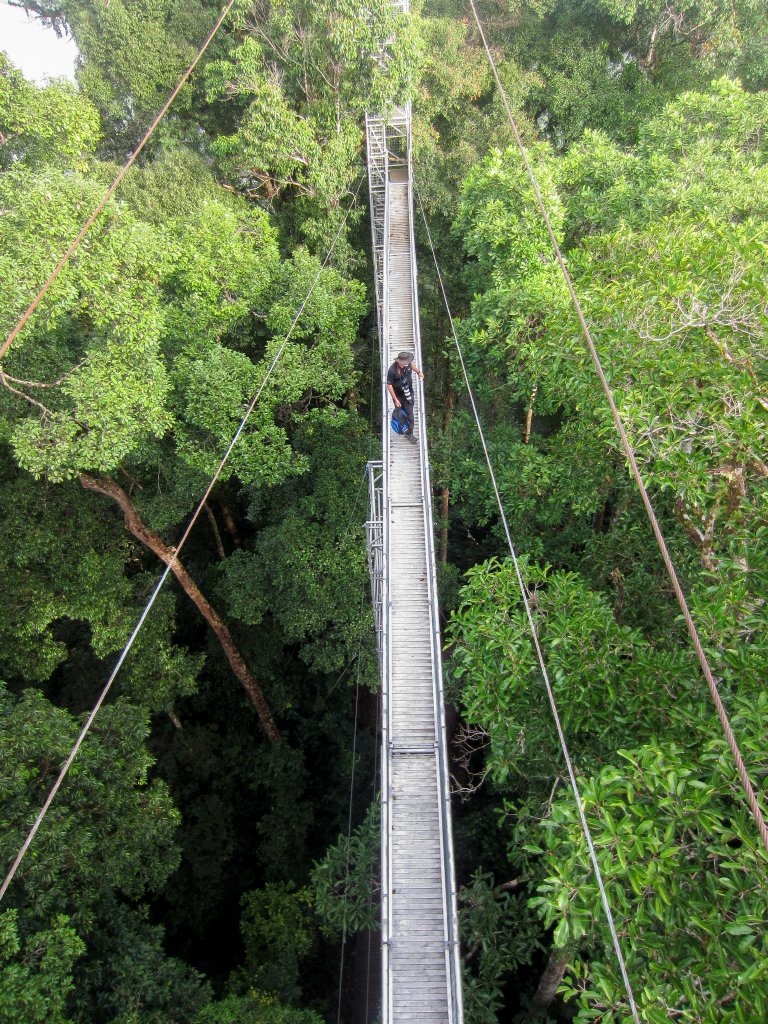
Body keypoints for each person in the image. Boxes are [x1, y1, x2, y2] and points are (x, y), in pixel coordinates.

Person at [386, 350, 424, 437]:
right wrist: (395, 399)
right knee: (400, 413)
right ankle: (402, 428)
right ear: (399, 362)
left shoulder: (408, 364)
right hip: (398, 395)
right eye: (404, 362)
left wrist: (419, 372)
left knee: (410, 413)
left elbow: (412, 366)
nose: (407, 364)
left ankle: (410, 433)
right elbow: (389, 385)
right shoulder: (392, 370)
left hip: (408, 393)